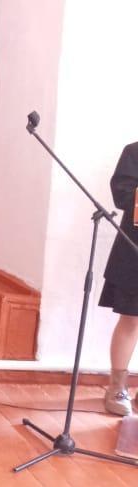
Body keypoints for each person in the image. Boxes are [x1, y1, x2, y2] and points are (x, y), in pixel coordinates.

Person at [100, 142, 138, 416]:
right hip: (135, 250)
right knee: (131, 319)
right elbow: (122, 195)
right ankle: (117, 387)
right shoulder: (134, 152)